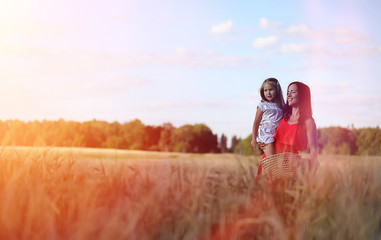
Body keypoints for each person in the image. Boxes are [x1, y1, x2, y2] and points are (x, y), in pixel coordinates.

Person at [255, 81, 319, 181]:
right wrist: (261, 140)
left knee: (285, 193)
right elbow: (266, 125)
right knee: (264, 193)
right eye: (288, 92)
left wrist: (311, 168)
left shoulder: (308, 122)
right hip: (270, 160)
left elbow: (314, 149)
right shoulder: (282, 114)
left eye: (293, 92)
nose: (288, 94)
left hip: (290, 165)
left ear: (302, 95)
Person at [251, 78, 285, 157]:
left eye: (271, 90)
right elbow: (256, 123)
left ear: (277, 90)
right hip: (266, 135)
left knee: (279, 158)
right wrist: (254, 139)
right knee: (272, 158)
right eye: (265, 90)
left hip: (277, 135)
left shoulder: (281, 106)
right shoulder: (263, 106)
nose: (268, 93)